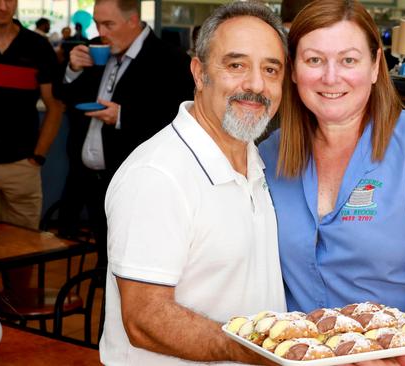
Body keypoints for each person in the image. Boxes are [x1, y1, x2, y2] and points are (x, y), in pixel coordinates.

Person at [258, 1, 405, 365]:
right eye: (314, 60)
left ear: (376, 66)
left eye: (348, 60)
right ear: (293, 70)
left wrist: (404, 354)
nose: (331, 77)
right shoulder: (269, 155)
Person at [100, 1, 288, 364]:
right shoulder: (158, 175)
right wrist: (256, 350)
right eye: (236, 65)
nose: (255, 84)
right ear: (200, 73)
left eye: (271, 69)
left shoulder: (255, 160)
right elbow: (145, 320)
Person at [55, 0, 193, 267]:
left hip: (137, 186)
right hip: (90, 182)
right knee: (104, 265)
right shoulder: (97, 49)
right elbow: (67, 100)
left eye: (108, 24)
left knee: (130, 267)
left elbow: (179, 121)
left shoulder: (170, 59)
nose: (100, 31)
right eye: (97, 23)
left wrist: (121, 116)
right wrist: (72, 71)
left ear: (133, 21)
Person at [0, 0, 63, 288]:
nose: (3, 6)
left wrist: (38, 156)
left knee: (23, 252)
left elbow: (55, 106)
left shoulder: (37, 46)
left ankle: (19, 323)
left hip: (23, 166)